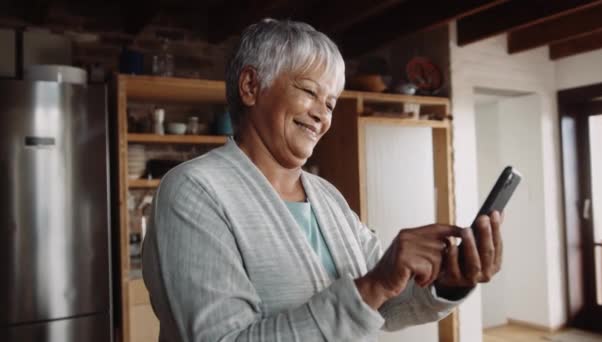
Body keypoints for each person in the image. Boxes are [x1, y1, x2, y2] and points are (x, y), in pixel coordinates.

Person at [142, 18, 503, 342]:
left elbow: (386, 306)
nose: (322, 115)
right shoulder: (194, 189)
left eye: (330, 103)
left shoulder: (325, 196)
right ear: (251, 86)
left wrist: (449, 282)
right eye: (310, 92)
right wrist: (373, 284)